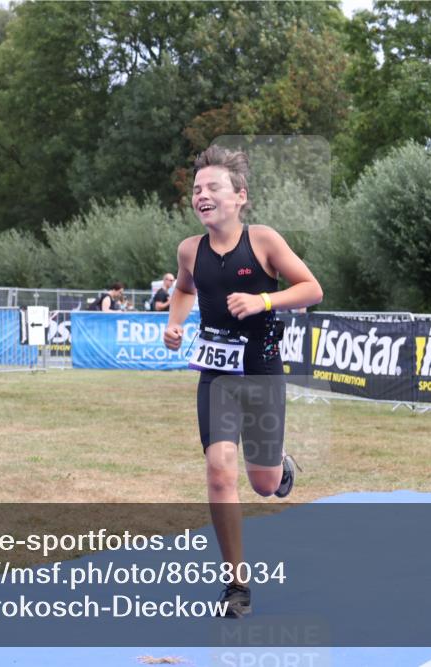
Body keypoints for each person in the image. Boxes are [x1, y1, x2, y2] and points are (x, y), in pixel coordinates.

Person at [162, 145, 323, 619]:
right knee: (218, 472)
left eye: (213, 187)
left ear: (240, 197)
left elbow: (312, 289)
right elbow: (184, 289)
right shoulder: (189, 250)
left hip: (261, 370)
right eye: (196, 189)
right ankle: (237, 585)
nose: (202, 195)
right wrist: (174, 325)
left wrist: (263, 303)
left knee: (263, 483)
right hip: (216, 374)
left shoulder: (264, 241)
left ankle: (280, 465)